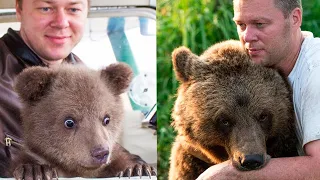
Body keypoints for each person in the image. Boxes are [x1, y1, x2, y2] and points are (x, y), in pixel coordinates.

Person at [197, 0, 320, 179]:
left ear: (295, 18)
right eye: (241, 25)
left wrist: (230, 174)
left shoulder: (315, 71)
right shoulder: (278, 67)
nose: (247, 36)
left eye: (259, 24)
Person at [0, 0, 88, 177]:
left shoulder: (83, 73)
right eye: (46, 8)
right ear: (19, 10)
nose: (61, 22)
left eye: (73, 9)